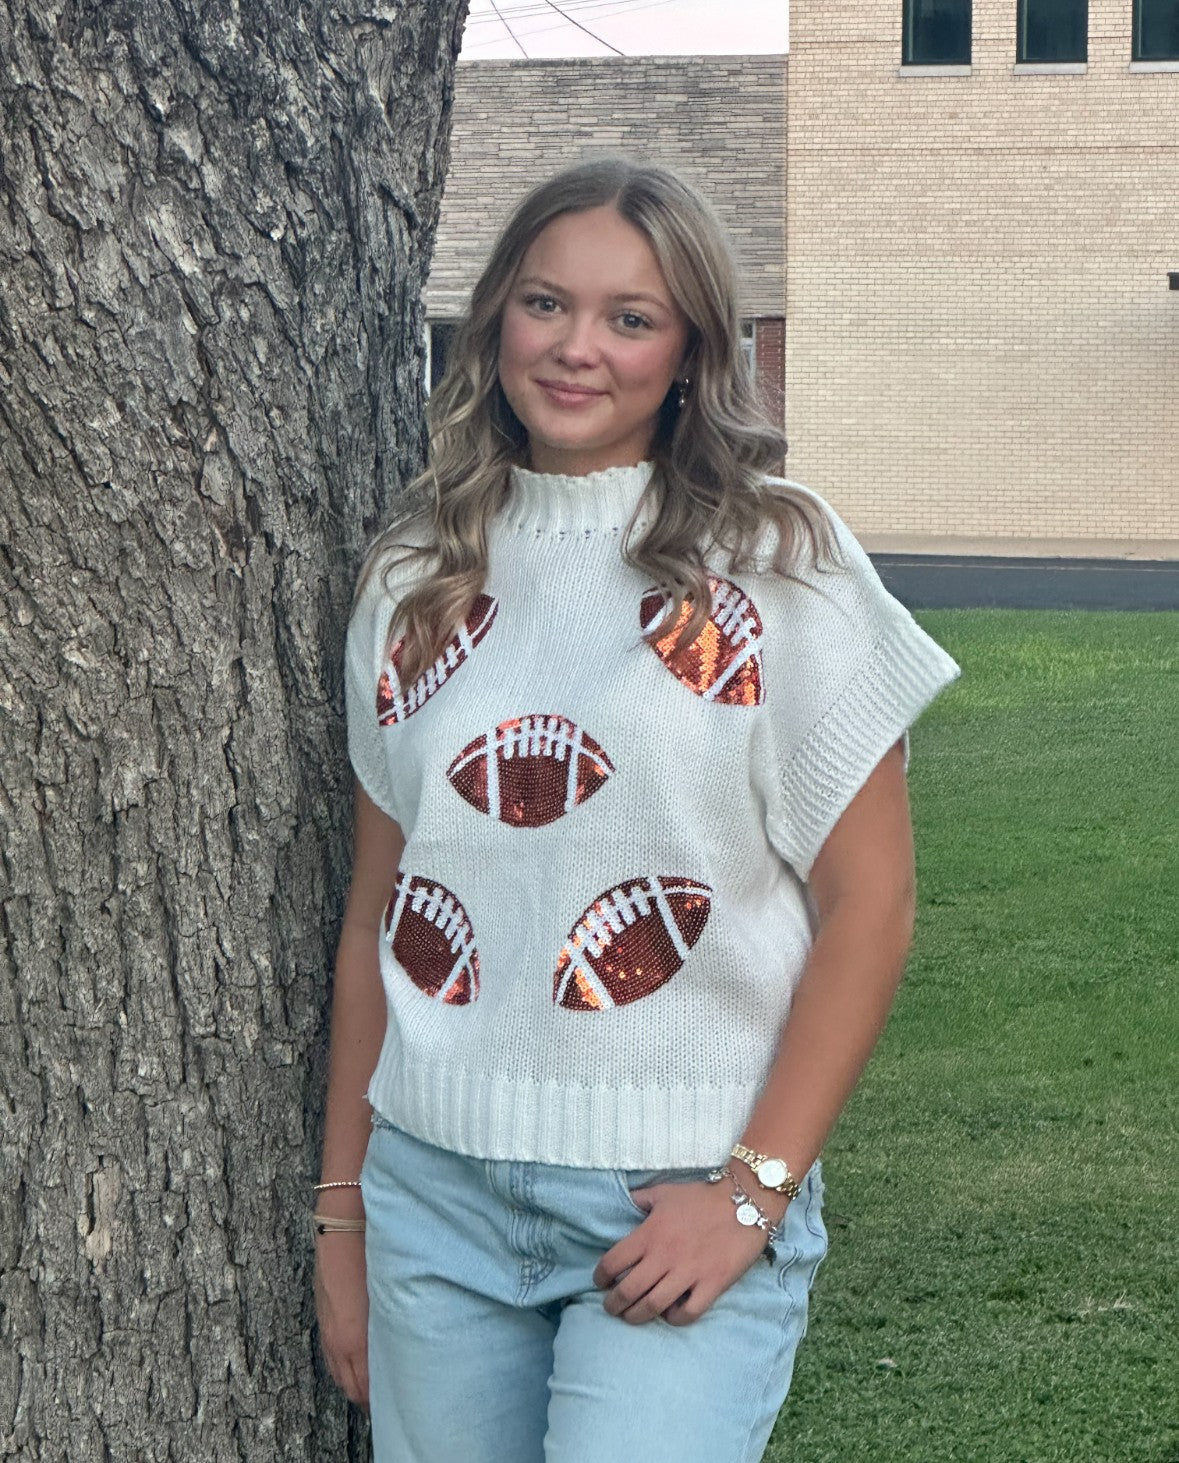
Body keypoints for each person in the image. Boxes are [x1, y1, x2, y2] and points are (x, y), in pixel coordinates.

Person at [312, 157, 961, 1462]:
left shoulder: (781, 559)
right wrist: (343, 1213)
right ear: (496, 316)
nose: (577, 350)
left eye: (631, 318)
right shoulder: (418, 570)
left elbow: (871, 903)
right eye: (547, 304)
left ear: (692, 351)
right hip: (433, 1200)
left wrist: (752, 1192)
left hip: (677, 1196)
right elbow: (386, 906)